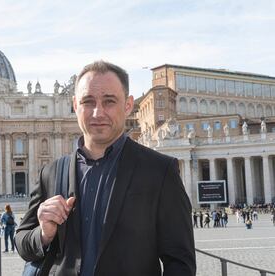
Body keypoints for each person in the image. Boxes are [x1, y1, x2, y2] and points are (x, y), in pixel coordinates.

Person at [15, 61, 196, 275]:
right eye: (88, 102)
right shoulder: (51, 173)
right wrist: (44, 233)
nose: (97, 113)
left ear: (128, 105)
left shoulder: (160, 171)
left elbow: (180, 262)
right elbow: (22, 242)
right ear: (75, 105)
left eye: (109, 101)